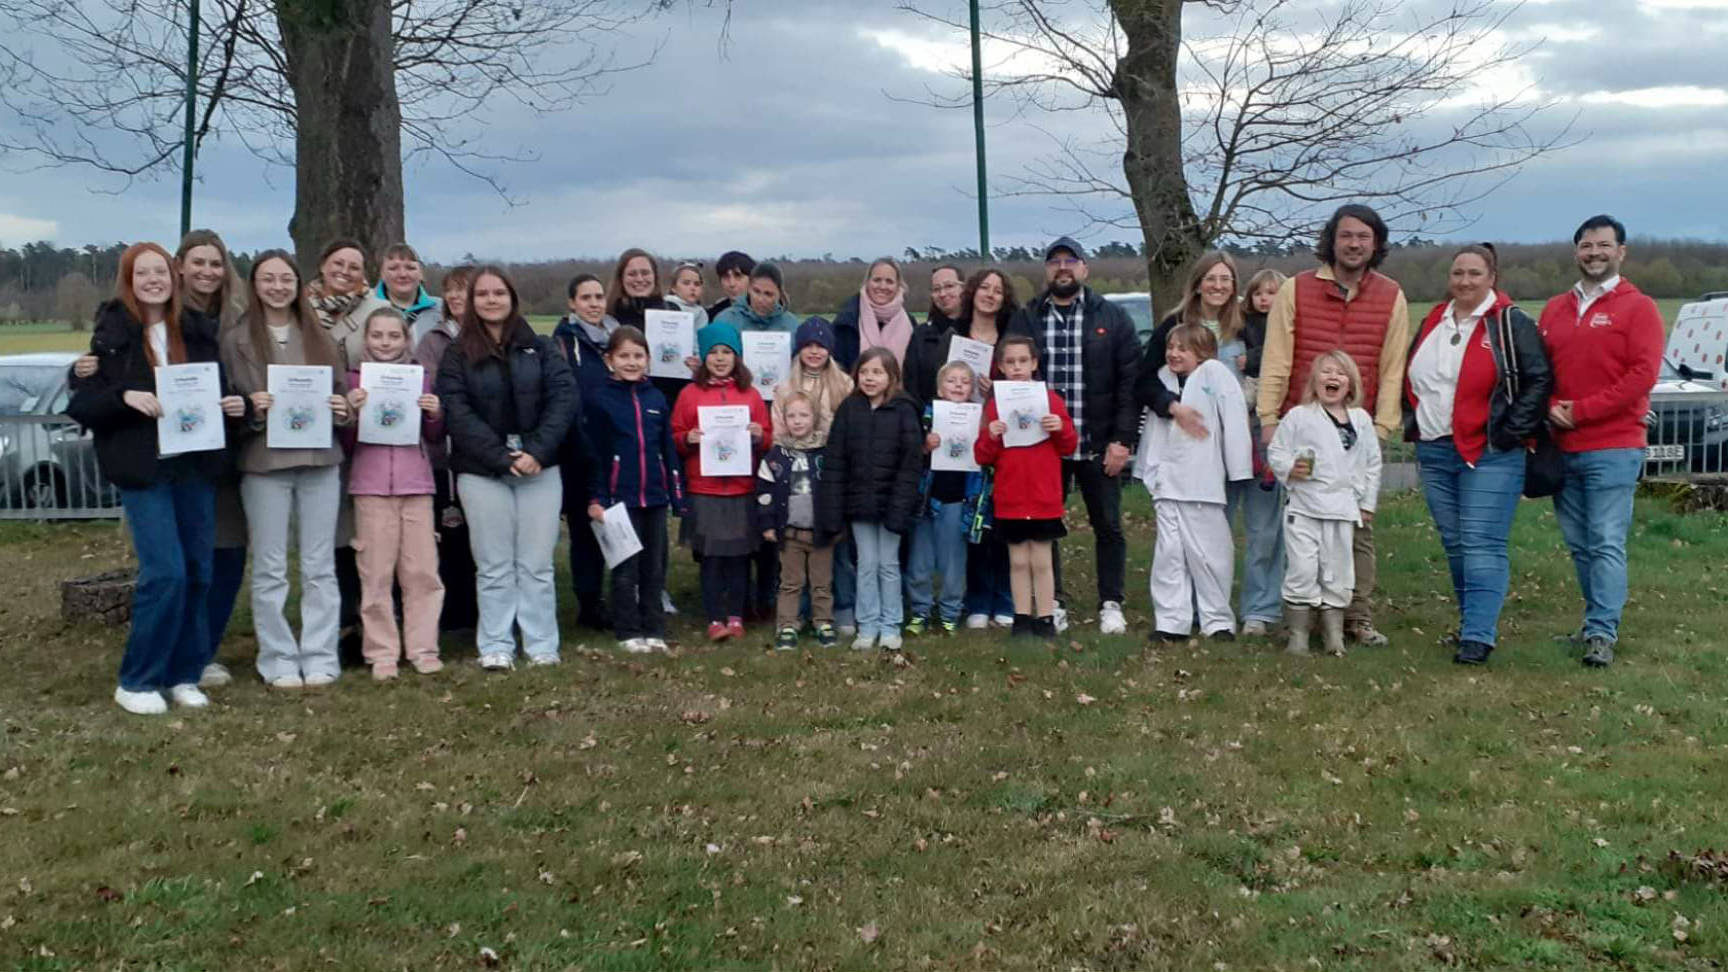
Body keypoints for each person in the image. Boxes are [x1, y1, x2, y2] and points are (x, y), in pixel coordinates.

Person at [67, 242, 246, 714]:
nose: (153, 280)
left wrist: (232, 406)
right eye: (142, 273)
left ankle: (183, 673)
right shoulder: (111, 336)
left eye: (160, 272)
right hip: (143, 470)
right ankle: (138, 679)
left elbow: (219, 390)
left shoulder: (196, 332)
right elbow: (83, 402)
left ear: (174, 278)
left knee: (198, 573)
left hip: (193, 467)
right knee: (165, 572)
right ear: (129, 280)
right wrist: (123, 396)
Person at [1255, 204, 1410, 648]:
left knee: (1357, 528)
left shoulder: (1391, 295)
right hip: (1302, 425)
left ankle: (1354, 617)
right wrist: (1269, 419)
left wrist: (1381, 428)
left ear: (1375, 243)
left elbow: (1392, 364)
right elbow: (1277, 357)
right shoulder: (1297, 289)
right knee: (1301, 527)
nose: (1355, 244)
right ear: (1332, 240)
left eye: (1364, 236)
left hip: (1357, 428)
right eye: (1346, 236)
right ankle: (1299, 616)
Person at [1405, 244, 1553, 666]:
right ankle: (1471, 620)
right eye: (1457, 273)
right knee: (1454, 544)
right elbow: (1412, 375)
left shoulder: (1509, 322)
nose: (1464, 281)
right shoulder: (1434, 319)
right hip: (1435, 449)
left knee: (1481, 543)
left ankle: (1478, 635)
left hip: (1490, 453)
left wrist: (1509, 434)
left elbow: (1538, 381)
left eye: (1474, 273)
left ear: (1491, 278)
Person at [221, 250, 356, 688]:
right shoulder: (236, 338)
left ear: (298, 284)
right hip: (264, 463)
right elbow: (229, 407)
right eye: (268, 278)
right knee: (270, 566)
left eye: (286, 278)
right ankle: (277, 657)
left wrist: (341, 410)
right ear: (254, 285)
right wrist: (251, 411)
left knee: (320, 564)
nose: (278, 286)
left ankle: (319, 654)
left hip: (319, 461)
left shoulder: (319, 334)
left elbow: (341, 398)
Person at [1536, 214, 1663, 668]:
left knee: (1606, 539)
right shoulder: (1554, 308)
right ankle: (1595, 621)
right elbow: (1540, 370)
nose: (1594, 253)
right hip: (1562, 448)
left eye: (1603, 246)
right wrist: (1549, 405)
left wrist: (1582, 411)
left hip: (1613, 445)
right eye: (1587, 246)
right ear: (1577, 251)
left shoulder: (1639, 307)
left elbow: (1642, 376)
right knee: (1579, 544)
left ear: (1621, 252)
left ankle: (1602, 633)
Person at [436, 266, 579, 670]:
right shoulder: (456, 354)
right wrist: (500, 457)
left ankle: (540, 644)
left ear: (513, 298)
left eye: (499, 292)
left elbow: (563, 399)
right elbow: (456, 412)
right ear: (472, 301)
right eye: (483, 294)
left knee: (535, 563)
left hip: (540, 467)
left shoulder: (541, 347)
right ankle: (496, 644)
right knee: (494, 564)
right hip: (483, 472)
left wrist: (536, 451)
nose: (491, 300)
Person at [1138, 252, 1283, 635]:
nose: (1218, 286)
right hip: (1196, 444)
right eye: (1211, 279)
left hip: (1252, 433)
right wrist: (1173, 409)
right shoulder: (1174, 326)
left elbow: (1275, 367)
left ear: (1235, 285)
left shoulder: (1250, 324)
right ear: (1198, 282)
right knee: (1201, 531)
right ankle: (1194, 612)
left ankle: (1259, 610)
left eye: (1226, 279)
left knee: (1262, 529)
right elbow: (1147, 380)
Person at [1007, 237, 1140, 635]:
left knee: (1109, 526)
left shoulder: (1113, 318)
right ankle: (1054, 601)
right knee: (1047, 526)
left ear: (1084, 269)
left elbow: (1128, 385)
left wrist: (1122, 440)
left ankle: (1111, 602)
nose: (1062, 268)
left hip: (1098, 443)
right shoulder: (1027, 318)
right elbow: (1010, 374)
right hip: (1044, 448)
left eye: (1070, 261)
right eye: (1054, 262)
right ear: (1046, 272)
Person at [341, 308, 446, 679]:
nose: (385, 343)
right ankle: (382, 652)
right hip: (370, 486)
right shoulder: (353, 381)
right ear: (366, 339)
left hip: (416, 484)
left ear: (406, 339)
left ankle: (423, 648)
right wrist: (351, 413)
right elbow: (346, 443)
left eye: (394, 336)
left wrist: (434, 414)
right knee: (375, 573)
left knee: (422, 571)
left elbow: (434, 439)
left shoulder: (421, 378)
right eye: (378, 336)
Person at [1137, 324, 1253, 642]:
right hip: (1167, 481)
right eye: (1170, 347)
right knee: (1169, 553)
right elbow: (1152, 429)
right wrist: (1150, 470)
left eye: (1182, 349)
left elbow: (1234, 420)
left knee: (1210, 554)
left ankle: (1217, 621)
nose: (1173, 353)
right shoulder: (1162, 380)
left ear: (1202, 353)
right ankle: (1171, 621)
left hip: (1203, 480)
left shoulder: (1216, 375)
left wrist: (1238, 468)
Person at [306, 238, 391, 664]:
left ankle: (371, 622)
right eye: (337, 262)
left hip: (369, 434)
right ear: (322, 265)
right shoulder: (301, 310)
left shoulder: (374, 311)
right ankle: (338, 624)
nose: (345, 271)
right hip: (314, 432)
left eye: (355, 266)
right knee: (333, 531)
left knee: (368, 530)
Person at [1268, 351, 1382, 656]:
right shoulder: (1299, 417)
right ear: (1314, 380)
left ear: (1351, 384)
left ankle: (1334, 636)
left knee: (1338, 571)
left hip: (1344, 509)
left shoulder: (1361, 420)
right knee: (1303, 568)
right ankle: (1298, 636)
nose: (1332, 378)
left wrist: (1367, 503)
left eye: (1340, 373)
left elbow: (1372, 464)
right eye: (1326, 372)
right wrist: (1291, 467)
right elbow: (1277, 452)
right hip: (1305, 507)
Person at [583, 326, 685, 654]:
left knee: (654, 568)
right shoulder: (599, 400)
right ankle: (628, 630)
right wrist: (596, 497)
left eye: (638, 356)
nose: (631, 362)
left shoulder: (655, 398)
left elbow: (667, 448)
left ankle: (654, 628)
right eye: (624, 356)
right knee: (625, 569)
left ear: (648, 360)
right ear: (609, 360)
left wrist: (676, 495)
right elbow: (594, 454)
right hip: (618, 499)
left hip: (654, 496)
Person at [818, 347, 923, 652]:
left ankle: (890, 625)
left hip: (893, 503)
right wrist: (834, 508)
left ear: (891, 377)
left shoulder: (904, 410)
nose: (870, 378)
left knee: (888, 564)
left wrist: (900, 506)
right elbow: (836, 462)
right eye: (864, 372)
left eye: (877, 372)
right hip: (859, 504)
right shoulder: (849, 410)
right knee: (865, 564)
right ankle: (868, 625)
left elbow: (910, 463)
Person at [975, 335, 1079, 639]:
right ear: (1000, 367)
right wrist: (991, 436)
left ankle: (1045, 616)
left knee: (1042, 560)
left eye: (1023, 361)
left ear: (1034, 364)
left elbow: (1069, 445)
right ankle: (1021, 617)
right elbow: (981, 456)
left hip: (1044, 495)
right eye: (1010, 362)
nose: (1017, 368)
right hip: (1011, 496)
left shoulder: (1051, 401)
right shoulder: (994, 406)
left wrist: (1060, 429)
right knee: (1018, 560)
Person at [711, 262, 799, 621]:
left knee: (770, 506)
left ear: (779, 294)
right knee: (739, 512)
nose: (762, 300)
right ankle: (737, 597)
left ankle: (769, 593)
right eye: (757, 292)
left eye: (769, 294)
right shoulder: (728, 321)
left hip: (776, 417)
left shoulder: (790, 325)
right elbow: (713, 359)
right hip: (732, 418)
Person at [673, 321, 771, 640]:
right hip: (705, 487)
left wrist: (758, 436)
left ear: (737, 356)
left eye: (726, 351)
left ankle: (736, 616)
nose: (719, 358)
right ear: (703, 358)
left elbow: (768, 437)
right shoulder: (689, 395)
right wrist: (687, 438)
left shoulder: (751, 395)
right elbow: (674, 435)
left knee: (740, 556)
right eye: (713, 352)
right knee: (712, 556)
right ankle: (714, 617)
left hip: (742, 487)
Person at [553, 272, 619, 630]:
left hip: (616, 446)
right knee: (585, 530)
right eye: (586, 298)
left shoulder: (616, 338)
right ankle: (590, 603)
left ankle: (626, 594)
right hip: (580, 449)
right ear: (572, 303)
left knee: (621, 525)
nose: (594, 304)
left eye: (598, 297)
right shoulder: (562, 342)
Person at [416, 264, 478, 632]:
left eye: (464, 290)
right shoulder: (433, 341)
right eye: (451, 290)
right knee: (448, 531)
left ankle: (477, 608)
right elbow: (425, 385)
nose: (456, 297)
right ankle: (452, 611)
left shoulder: (490, 337)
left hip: (479, 451)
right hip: (443, 452)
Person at [756, 391, 838, 650]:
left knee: (822, 582)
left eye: (804, 415)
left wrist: (836, 523)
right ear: (784, 420)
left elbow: (837, 490)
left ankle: (822, 622)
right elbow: (764, 494)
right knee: (790, 583)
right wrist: (767, 524)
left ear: (814, 418)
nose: (798, 420)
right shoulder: (775, 456)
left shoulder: (826, 453)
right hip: (789, 534)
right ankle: (787, 625)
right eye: (792, 416)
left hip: (821, 533)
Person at [905, 361, 977, 636]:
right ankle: (920, 610)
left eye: (964, 381)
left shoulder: (976, 417)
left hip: (958, 500)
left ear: (972, 389)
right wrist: (925, 446)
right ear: (939, 387)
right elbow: (912, 453)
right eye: (951, 380)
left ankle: (950, 611)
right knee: (920, 560)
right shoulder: (926, 415)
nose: (958, 385)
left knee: (953, 561)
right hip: (926, 499)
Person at [831, 258, 915, 371]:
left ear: (898, 286)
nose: (882, 286)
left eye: (889, 281)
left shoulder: (911, 325)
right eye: (877, 280)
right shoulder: (846, 321)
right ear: (867, 282)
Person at [376, 243, 443, 346]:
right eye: (393, 268)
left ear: (421, 274)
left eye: (410, 268)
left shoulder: (442, 309)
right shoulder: (366, 307)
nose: (403, 274)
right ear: (382, 274)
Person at [708, 251, 755, 322]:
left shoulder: (765, 313)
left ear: (751, 279)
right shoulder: (712, 315)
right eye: (726, 277)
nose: (732, 284)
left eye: (738, 276)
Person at [665, 262, 712, 330]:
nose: (692, 288)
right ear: (674, 287)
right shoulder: (664, 307)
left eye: (697, 284)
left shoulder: (701, 313)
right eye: (686, 283)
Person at [927, 263, 965, 332]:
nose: (942, 294)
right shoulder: (921, 334)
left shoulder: (981, 329)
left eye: (949, 286)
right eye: (936, 289)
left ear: (963, 288)